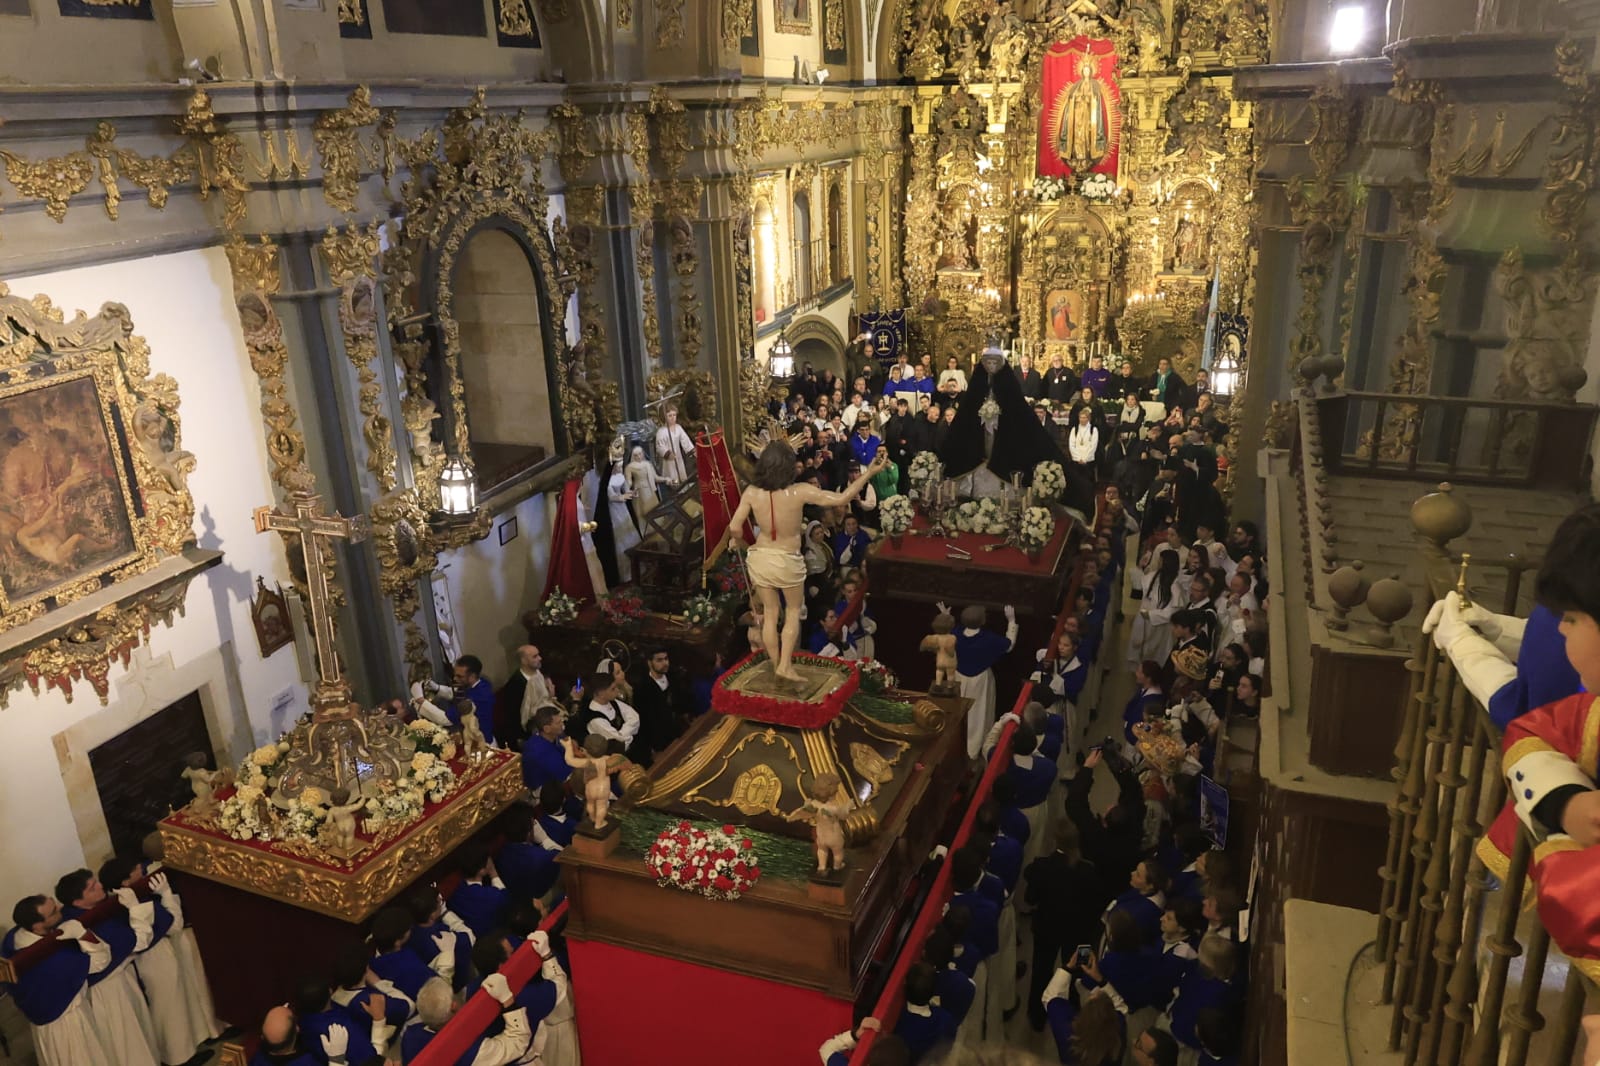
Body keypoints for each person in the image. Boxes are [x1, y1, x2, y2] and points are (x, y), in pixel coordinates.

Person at [728, 440, 886, 682]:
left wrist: (745, 545)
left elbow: (734, 528)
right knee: (792, 611)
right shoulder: (799, 491)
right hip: (787, 561)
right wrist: (871, 472)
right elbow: (842, 497)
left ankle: (774, 663)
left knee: (770, 613)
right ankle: (785, 665)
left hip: (760, 558)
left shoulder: (751, 492)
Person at [98, 858, 209, 1066]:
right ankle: (178, 1059)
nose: (140, 868)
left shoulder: (127, 899)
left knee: (175, 1004)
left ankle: (186, 1051)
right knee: (168, 1009)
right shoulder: (128, 904)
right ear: (125, 882)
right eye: (134, 869)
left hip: (158, 955)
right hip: (152, 959)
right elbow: (174, 926)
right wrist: (166, 894)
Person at [54, 868, 160, 1066]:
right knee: (128, 1040)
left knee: (141, 1031)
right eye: (92, 887)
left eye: (96, 881)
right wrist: (135, 908)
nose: (100, 886)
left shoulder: (97, 910)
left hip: (121, 980)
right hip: (109, 989)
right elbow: (139, 942)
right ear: (78, 902)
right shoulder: (82, 922)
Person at [3, 894, 113, 1066]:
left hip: (46, 1026)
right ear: (38, 925)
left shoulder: (14, 939)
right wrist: (82, 934)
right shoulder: (52, 960)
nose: (61, 907)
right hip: (70, 1024)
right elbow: (101, 960)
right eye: (54, 911)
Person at [399, 974, 533, 1065]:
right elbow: (517, 1043)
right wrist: (507, 999)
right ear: (454, 1005)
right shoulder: (469, 1052)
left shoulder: (409, 1036)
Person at [950, 601, 1019, 758]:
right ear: (983, 621)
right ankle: (974, 749)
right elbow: (1009, 645)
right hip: (980, 680)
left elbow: (947, 633)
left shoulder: (956, 634)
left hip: (959, 678)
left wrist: (946, 615)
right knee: (979, 714)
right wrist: (1011, 621)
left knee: (959, 713)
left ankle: (957, 746)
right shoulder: (988, 638)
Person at [496, 804, 562, 906]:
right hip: (542, 900)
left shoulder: (500, 856)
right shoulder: (543, 858)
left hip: (518, 902)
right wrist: (545, 839)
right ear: (529, 831)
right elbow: (564, 858)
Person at [632, 646, 689, 755]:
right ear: (649, 663)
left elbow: (682, 701)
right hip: (662, 741)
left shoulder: (674, 676)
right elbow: (644, 721)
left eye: (666, 659)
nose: (665, 663)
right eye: (659, 660)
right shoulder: (642, 689)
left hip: (681, 731)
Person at [499, 644, 558, 749]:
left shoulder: (539, 674)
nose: (540, 658)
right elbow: (512, 715)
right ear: (524, 661)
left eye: (538, 655)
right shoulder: (516, 684)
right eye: (535, 656)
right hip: (530, 733)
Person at [448, 843, 510, 939]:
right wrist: (493, 872)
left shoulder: (455, 897)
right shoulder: (493, 897)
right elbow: (504, 897)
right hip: (497, 937)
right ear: (482, 870)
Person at [581, 670, 642, 761]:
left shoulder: (612, 701)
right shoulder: (595, 719)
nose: (617, 691)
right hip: (618, 760)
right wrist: (628, 733)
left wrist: (622, 733)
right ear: (600, 693)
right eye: (613, 689)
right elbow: (618, 741)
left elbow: (634, 717)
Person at [521, 705, 572, 792]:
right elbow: (565, 775)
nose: (562, 724)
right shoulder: (541, 752)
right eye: (558, 723)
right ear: (547, 729)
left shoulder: (549, 736)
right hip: (546, 792)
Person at [606, 458, 640, 581]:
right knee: (621, 536)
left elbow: (626, 489)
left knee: (630, 532)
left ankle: (637, 567)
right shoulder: (607, 480)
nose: (620, 469)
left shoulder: (620, 475)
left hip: (623, 507)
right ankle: (626, 573)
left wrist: (632, 493)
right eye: (618, 467)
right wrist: (622, 497)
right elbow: (611, 496)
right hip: (614, 509)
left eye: (621, 466)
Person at [654, 404, 694, 485]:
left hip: (678, 456)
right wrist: (667, 453)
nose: (673, 418)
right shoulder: (661, 432)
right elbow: (659, 446)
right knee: (672, 474)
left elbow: (685, 440)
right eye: (670, 416)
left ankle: (682, 486)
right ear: (664, 417)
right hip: (668, 460)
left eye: (674, 415)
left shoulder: (678, 428)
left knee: (681, 472)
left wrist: (692, 450)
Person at [625, 444, 662, 517]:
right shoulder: (629, 467)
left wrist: (667, 479)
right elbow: (629, 481)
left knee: (653, 509)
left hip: (650, 489)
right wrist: (627, 489)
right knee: (644, 511)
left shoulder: (648, 464)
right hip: (639, 490)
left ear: (642, 454)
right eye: (636, 455)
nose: (638, 457)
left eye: (640, 454)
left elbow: (656, 478)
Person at [1067, 405, 1099, 477]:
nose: (1082, 420)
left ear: (1088, 418)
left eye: (1084, 418)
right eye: (1080, 417)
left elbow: (1093, 446)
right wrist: (1078, 458)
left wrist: (1085, 459)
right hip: (1076, 459)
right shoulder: (1074, 429)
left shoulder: (1093, 430)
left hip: (1088, 459)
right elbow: (1071, 445)